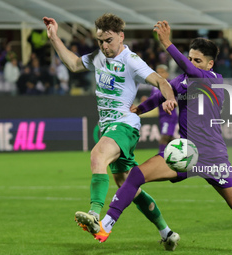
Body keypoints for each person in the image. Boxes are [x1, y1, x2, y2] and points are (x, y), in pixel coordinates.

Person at [79, 20, 232, 252]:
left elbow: (188, 71)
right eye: (190, 58)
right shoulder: (183, 81)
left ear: (210, 64)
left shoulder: (212, 81)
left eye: (197, 60)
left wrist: (167, 44)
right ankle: (105, 226)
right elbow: (161, 93)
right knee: (136, 176)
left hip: (213, 157)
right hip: (185, 154)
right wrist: (140, 109)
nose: (191, 63)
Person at [43, 14, 180, 250]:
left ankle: (94, 215)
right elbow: (74, 64)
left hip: (125, 124)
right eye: (100, 41)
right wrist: (54, 37)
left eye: (108, 40)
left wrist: (168, 100)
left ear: (120, 36)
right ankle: (167, 233)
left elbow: (161, 82)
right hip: (110, 126)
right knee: (127, 185)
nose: (104, 46)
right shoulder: (98, 56)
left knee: (97, 156)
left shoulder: (131, 60)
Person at [150, 64, 178, 153]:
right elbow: (153, 101)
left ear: (167, 74)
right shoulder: (154, 87)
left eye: (162, 72)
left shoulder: (171, 85)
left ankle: (160, 157)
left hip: (170, 115)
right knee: (169, 137)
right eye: (158, 72)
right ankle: (181, 153)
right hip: (162, 116)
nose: (160, 74)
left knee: (164, 137)